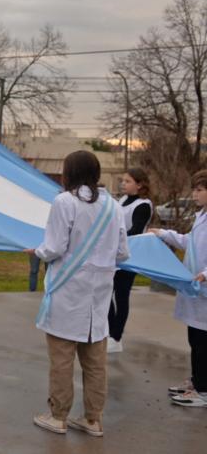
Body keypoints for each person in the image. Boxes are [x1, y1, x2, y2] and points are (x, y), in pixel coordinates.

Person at [26, 151, 129, 437]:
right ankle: (93, 419)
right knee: (96, 362)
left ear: (69, 171)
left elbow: (54, 247)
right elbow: (122, 252)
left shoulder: (65, 201)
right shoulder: (114, 205)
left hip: (68, 290)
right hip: (99, 295)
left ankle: (58, 415)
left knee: (62, 359)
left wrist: (37, 252)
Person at [150, 169, 207, 408]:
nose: (194, 194)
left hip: (203, 287)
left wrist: (205, 274)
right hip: (195, 289)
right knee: (195, 338)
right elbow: (189, 242)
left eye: (199, 189)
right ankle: (197, 381)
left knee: (204, 342)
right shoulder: (201, 216)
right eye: (194, 189)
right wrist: (164, 234)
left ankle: (204, 391)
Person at [107, 169, 153, 353]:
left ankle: (116, 337)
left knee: (121, 295)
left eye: (128, 181)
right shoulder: (122, 201)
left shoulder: (143, 204)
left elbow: (136, 230)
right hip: (114, 254)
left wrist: (115, 238)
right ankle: (109, 331)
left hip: (131, 256)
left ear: (139, 184)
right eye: (123, 181)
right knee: (105, 293)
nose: (123, 184)